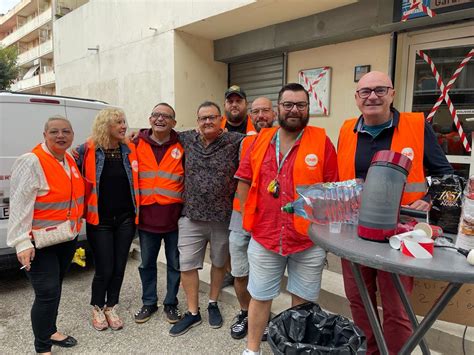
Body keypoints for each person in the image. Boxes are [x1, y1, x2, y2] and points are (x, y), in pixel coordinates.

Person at [337, 71, 453, 355]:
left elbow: (446, 175)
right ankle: (370, 352)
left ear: (392, 93)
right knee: (358, 300)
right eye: (365, 91)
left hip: (401, 234)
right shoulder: (346, 129)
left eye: (380, 90)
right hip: (353, 232)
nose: (372, 96)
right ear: (356, 98)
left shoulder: (416, 125)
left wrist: (428, 198)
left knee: (396, 307)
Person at [236, 83, 339, 355]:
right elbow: (244, 181)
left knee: (302, 305)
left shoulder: (322, 141)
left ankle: (294, 349)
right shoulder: (260, 140)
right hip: (265, 236)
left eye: (300, 105)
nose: (294, 110)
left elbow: (332, 188)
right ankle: (252, 349)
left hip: (308, 239)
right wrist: (249, 219)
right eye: (288, 104)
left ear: (308, 108)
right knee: (260, 296)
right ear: (278, 108)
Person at [7, 116, 84, 354]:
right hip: (38, 243)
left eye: (66, 132)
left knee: (55, 289)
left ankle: (50, 330)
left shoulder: (68, 158)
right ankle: (42, 348)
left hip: (64, 239)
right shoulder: (32, 161)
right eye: (54, 132)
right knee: (47, 293)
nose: (60, 136)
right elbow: (19, 205)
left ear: (72, 135)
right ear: (44, 135)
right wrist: (21, 242)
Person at [169, 101, 244, 336]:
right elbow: (160, 132)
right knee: (187, 265)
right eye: (203, 118)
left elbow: (260, 138)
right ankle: (193, 312)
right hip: (191, 217)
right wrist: (137, 132)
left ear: (221, 119)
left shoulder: (235, 140)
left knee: (219, 263)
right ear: (197, 121)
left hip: (222, 218)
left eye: (212, 117)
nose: (207, 122)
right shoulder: (187, 138)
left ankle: (212, 302)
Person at [76, 108, 140, 331]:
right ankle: (97, 306)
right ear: (105, 126)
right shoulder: (87, 150)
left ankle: (111, 306)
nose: (123, 126)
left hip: (126, 219)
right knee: (105, 267)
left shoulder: (130, 149)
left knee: (120, 266)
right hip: (100, 220)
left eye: (124, 122)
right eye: (118, 123)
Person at [229, 96, 275, 340]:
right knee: (239, 271)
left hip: (268, 217)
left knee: (264, 271)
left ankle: (264, 317)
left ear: (274, 113)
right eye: (256, 111)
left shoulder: (283, 138)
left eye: (265, 111)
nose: (260, 116)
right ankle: (246, 312)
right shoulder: (243, 142)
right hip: (240, 215)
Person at [133, 103, 183, 324]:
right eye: (156, 115)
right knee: (147, 264)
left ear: (174, 122)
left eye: (166, 116)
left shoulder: (183, 144)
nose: (160, 119)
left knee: (175, 264)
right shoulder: (135, 143)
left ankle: (171, 303)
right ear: (149, 119)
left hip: (175, 219)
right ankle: (149, 302)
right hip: (146, 219)